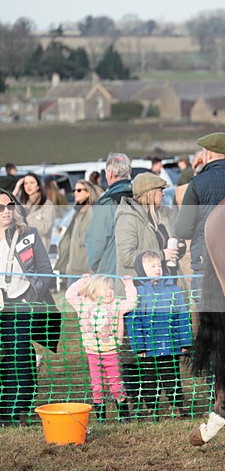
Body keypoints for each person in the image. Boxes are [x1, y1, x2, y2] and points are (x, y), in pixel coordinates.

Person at [0, 189, 55, 426]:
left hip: (19, 306)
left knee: (18, 358)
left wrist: (29, 296)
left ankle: (11, 412)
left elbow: (46, 272)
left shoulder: (28, 234)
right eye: (0, 207)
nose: (6, 211)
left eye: (9, 205)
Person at [173, 133, 225, 292]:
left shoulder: (198, 183)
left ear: (208, 154)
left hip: (206, 261)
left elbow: (183, 230)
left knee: (208, 314)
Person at [125, 251, 192, 420]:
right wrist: (139, 347)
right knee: (149, 381)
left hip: (170, 346)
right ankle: (152, 408)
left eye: (159, 265)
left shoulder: (174, 290)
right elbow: (134, 322)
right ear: (142, 269)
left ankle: (178, 407)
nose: (158, 269)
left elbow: (183, 317)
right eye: (152, 266)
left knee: (172, 378)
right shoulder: (137, 293)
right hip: (148, 349)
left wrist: (185, 342)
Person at [65, 274, 137, 423]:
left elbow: (132, 302)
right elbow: (69, 295)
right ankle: (101, 418)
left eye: (111, 288)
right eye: (105, 289)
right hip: (93, 354)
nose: (110, 291)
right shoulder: (84, 304)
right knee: (97, 386)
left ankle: (124, 415)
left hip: (112, 353)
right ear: (94, 290)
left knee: (116, 385)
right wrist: (82, 281)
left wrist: (129, 285)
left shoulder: (116, 304)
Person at [85, 153, 133, 275]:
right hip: (140, 270)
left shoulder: (107, 203)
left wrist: (96, 266)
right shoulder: (140, 198)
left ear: (109, 173)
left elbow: (97, 242)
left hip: (112, 273)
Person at [55, 180, 102, 287]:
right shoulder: (77, 212)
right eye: (74, 190)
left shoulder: (92, 212)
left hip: (86, 267)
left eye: (79, 190)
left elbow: (92, 239)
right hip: (74, 266)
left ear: (88, 193)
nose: (75, 192)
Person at [14, 173, 55, 252]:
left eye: (32, 183)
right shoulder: (23, 204)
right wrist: (16, 190)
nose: (28, 186)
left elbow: (45, 229)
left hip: (38, 250)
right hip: (22, 250)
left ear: (38, 186)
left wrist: (25, 219)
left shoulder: (47, 204)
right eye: (26, 183)